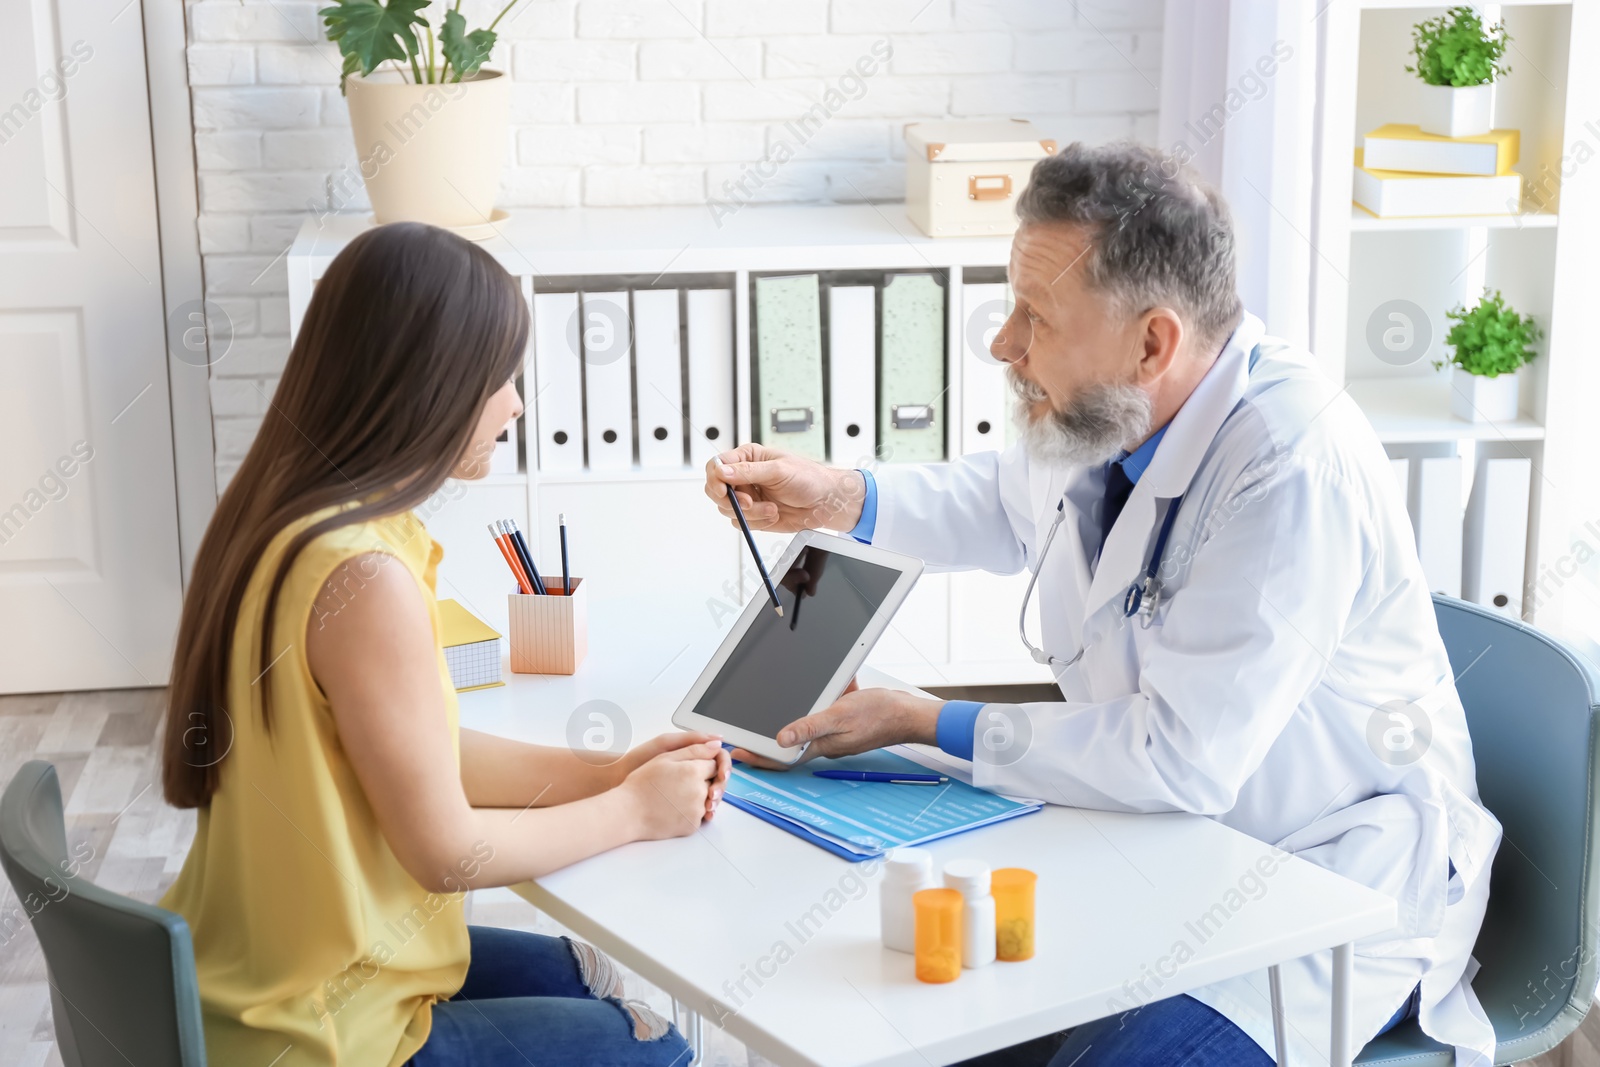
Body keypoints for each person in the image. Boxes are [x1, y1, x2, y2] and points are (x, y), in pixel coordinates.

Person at [705, 143, 1500, 1067]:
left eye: (1035, 317)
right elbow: (1003, 502)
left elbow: (1182, 759)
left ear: (1152, 341)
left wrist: (931, 721)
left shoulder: (1292, 466)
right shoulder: (1117, 408)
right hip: (1159, 849)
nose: (1005, 345)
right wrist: (839, 494)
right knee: (894, 1029)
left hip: (1322, 875)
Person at [159, 222, 728, 1067]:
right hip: (317, 1034)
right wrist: (633, 811)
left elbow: (422, 750)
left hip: (242, 980)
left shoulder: (286, 517)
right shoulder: (362, 577)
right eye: (501, 378)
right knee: (655, 1047)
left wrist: (606, 773)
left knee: (589, 979)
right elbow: (445, 849)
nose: (516, 405)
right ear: (432, 381)